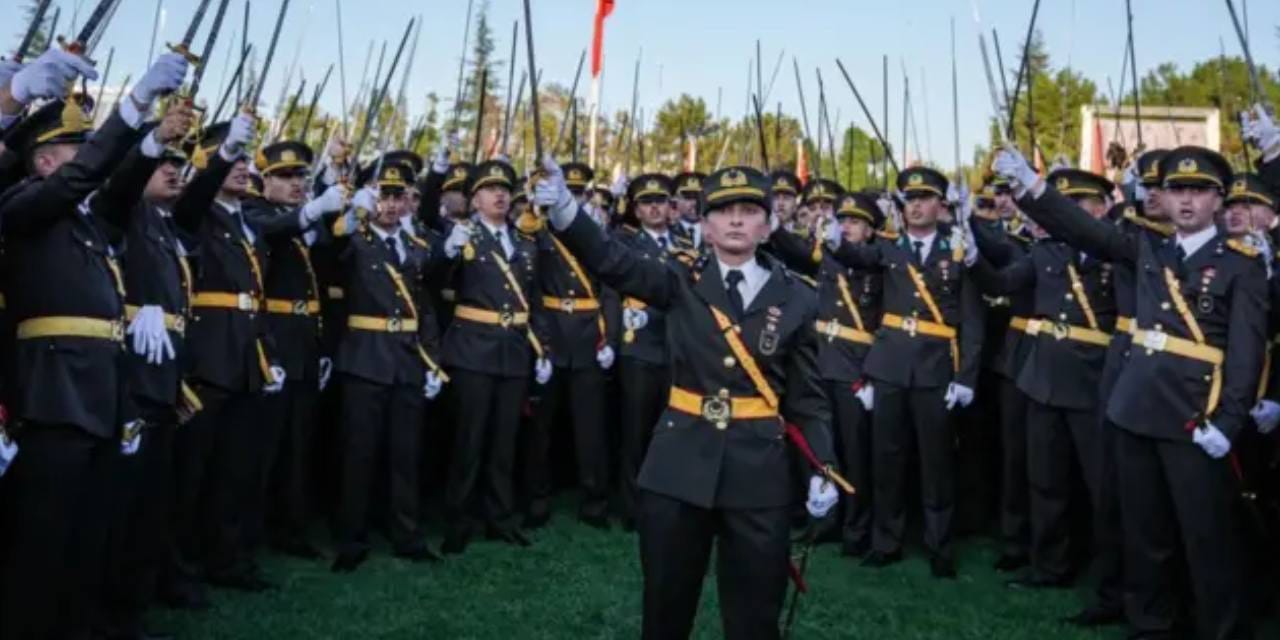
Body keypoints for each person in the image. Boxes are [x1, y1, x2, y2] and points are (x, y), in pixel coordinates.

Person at [535, 159, 838, 640]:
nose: (735, 220)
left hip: (759, 471)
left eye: (748, 210)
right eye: (722, 211)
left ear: (767, 226)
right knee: (665, 609)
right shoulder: (679, 278)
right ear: (704, 225)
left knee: (756, 615)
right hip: (678, 464)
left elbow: (807, 398)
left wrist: (823, 465)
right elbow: (613, 261)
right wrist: (567, 212)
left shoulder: (798, 297)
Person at [993, 144, 1265, 639]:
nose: (1186, 200)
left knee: (1206, 536)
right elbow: (1083, 229)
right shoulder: (1147, 248)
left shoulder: (1241, 264)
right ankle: (1150, 624)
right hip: (1135, 409)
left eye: (1198, 191)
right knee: (1145, 532)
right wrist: (1032, 186)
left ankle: (1220, 629)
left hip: (1195, 415)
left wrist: (1228, 422)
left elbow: (1246, 355)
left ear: (1218, 200)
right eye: (1176, 190)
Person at [0, 50, 189, 639]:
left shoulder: (88, 221)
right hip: (53, 394)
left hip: (102, 391)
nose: (89, 160)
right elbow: (83, 179)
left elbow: (120, 185)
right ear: (44, 161)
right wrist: (132, 105)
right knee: (44, 540)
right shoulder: (23, 205)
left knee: (90, 533)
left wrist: (150, 137)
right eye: (76, 151)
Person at [821, 166, 985, 578]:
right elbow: (856, 256)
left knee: (937, 463)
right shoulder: (889, 248)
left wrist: (965, 377)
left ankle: (939, 546)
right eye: (908, 199)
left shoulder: (958, 249)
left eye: (924, 198)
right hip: (890, 366)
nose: (915, 206)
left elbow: (972, 321)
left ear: (940, 204)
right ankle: (886, 541)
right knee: (886, 459)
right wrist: (834, 240)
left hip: (935, 368)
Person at [969, 169, 1119, 592]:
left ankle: (1112, 577)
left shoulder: (1117, 251)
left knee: (1102, 486)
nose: (1064, 213)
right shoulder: (1046, 251)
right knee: (1044, 480)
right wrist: (972, 259)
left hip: (1094, 380)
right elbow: (1003, 282)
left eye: (1077, 205)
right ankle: (1049, 565)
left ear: (1101, 209)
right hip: (1044, 378)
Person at [93, 103, 202, 639]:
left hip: (163, 374)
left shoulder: (163, 224)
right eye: (163, 164)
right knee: (123, 502)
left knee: (151, 500)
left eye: (179, 164)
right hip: (131, 375)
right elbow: (119, 189)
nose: (173, 171)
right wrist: (150, 141)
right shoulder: (124, 212)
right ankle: (113, 611)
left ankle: (137, 602)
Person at [328, 162, 448, 572]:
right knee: (358, 454)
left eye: (399, 196)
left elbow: (424, 308)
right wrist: (349, 214)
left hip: (407, 360)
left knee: (405, 454)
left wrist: (432, 360)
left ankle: (407, 536)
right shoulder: (354, 241)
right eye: (384, 195)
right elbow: (330, 254)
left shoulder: (415, 248)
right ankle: (351, 539)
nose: (391, 204)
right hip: (365, 358)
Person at [433, 158, 552, 554]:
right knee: (469, 440)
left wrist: (543, 348)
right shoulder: (462, 236)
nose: (499, 195)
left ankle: (500, 518)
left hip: (513, 350)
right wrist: (447, 251)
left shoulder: (524, 241)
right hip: (473, 349)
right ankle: (458, 521)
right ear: (474, 199)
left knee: (505, 441)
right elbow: (433, 281)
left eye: (504, 189)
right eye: (489, 189)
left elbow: (534, 300)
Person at [771, 192, 884, 557]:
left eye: (856, 222)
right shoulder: (827, 257)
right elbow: (795, 252)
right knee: (822, 450)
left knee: (856, 454)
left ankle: (857, 528)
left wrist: (872, 374)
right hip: (821, 362)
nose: (847, 227)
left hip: (855, 369)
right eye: (844, 220)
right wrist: (774, 227)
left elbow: (887, 325)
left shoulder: (879, 262)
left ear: (870, 231)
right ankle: (823, 521)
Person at [523, 159, 616, 530]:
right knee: (540, 429)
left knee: (591, 429)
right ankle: (537, 498)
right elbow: (529, 288)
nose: (573, 198)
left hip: (589, 337)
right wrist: (539, 342)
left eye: (578, 193)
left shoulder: (596, 233)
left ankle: (595, 501)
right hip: (551, 333)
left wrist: (609, 338)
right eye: (568, 192)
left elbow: (611, 288)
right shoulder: (537, 230)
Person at [611, 173, 695, 531]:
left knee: (672, 432)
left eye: (660, 201)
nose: (655, 208)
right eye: (646, 202)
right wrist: (613, 339)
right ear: (636, 209)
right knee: (635, 432)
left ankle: (667, 502)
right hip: (640, 346)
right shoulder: (626, 243)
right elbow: (612, 292)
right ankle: (632, 508)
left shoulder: (685, 242)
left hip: (676, 347)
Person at [670, 171, 705, 249]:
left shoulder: (715, 231)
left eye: (699, 197)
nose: (694, 203)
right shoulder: (667, 232)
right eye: (688, 197)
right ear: (676, 199)